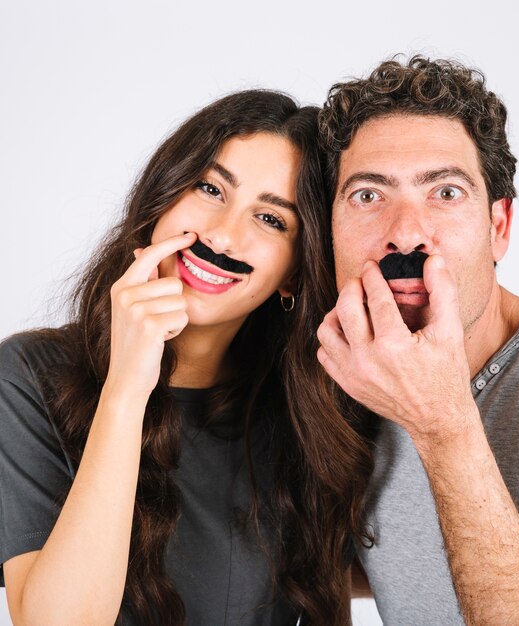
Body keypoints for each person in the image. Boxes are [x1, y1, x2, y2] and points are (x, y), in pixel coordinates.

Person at [0, 90, 373, 625]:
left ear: (294, 271)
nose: (222, 235)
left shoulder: (309, 408)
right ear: (163, 193)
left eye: (271, 219)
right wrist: (127, 388)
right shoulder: (31, 377)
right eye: (210, 188)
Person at [316, 55, 519, 624]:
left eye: (446, 193)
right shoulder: (348, 369)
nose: (405, 233)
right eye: (368, 195)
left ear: (499, 226)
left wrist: (441, 422)